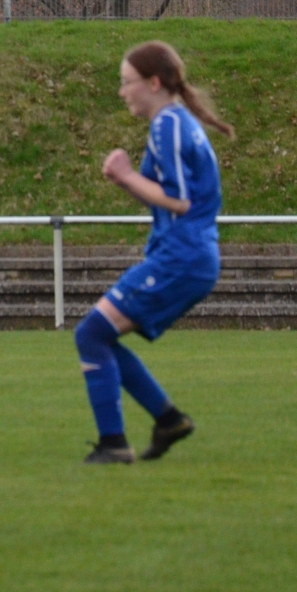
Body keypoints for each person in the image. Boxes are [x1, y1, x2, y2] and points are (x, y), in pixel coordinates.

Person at [75, 42, 231, 464]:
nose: (122, 91)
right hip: (185, 255)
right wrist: (125, 180)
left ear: (154, 83)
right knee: (98, 336)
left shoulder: (168, 126)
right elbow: (172, 196)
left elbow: (179, 201)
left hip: (182, 257)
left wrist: (126, 175)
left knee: (90, 334)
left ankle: (115, 443)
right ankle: (167, 420)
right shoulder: (176, 123)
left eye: (127, 82)